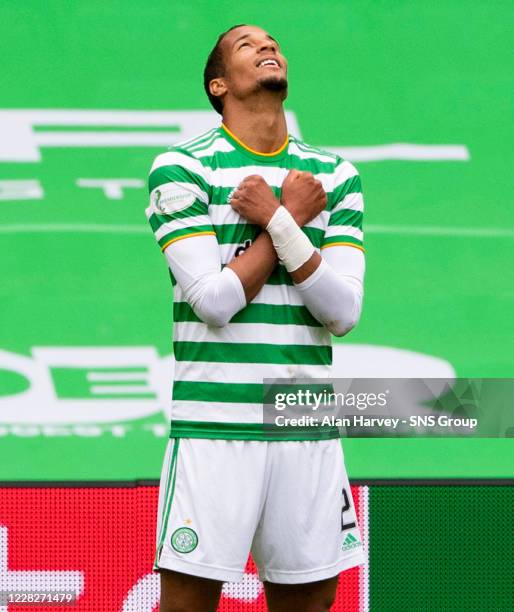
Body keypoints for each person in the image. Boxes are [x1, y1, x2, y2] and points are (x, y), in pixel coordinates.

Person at [145, 23, 366, 612]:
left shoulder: (334, 176)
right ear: (219, 85)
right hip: (215, 424)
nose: (267, 47)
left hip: (305, 425)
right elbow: (214, 302)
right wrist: (286, 219)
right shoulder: (180, 169)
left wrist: (277, 217)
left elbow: (343, 312)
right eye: (247, 45)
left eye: (272, 42)